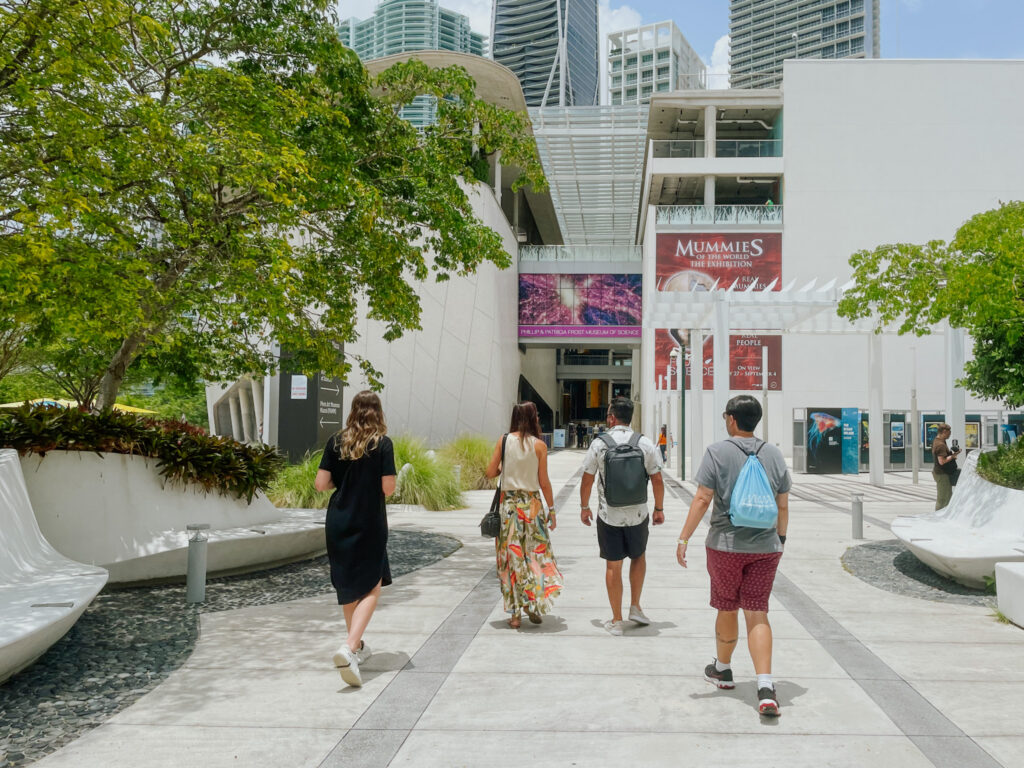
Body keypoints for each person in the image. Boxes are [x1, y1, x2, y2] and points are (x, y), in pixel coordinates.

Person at [676, 395, 790, 717]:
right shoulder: (774, 454)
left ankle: (723, 670)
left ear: (730, 419)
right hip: (765, 547)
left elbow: (702, 498)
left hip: (725, 546)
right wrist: (779, 540)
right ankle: (765, 687)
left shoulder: (717, 452)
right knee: (757, 612)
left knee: (727, 606)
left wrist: (684, 538)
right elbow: (782, 504)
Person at [315, 390, 397, 688]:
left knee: (349, 586)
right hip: (369, 521)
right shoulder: (382, 444)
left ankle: (356, 648)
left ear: (353, 411)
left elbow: (321, 483)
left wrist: (345, 479)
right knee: (373, 585)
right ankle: (349, 648)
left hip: (338, 520)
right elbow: (388, 488)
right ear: (378, 412)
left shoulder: (336, 441)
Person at [579, 396, 665, 635]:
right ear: (631, 418)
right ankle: (635, 607)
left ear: (611, 417)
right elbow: (657, 479)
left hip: (609, 515)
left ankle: (617, 621)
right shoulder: (645, 443)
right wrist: (659, 509)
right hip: (639, 513)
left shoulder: (599, 444)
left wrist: (584, 507)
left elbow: (587, 479)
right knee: (639, 557)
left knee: (613, 566)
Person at [486, 402, 564, 628]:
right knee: (535, 556)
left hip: (508, 507)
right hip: (532, 506)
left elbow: (490, 472)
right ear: (533, 419)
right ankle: (533, 605)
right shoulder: (539, 446)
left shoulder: (503, 441)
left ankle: (515, 614)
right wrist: (552, 510)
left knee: (510, 559)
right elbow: (544, 482)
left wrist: (505, 468)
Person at [931, 423, 960, 510]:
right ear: (944, 431)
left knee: (946, 496)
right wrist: (953, 456)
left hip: (941, 473)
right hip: (942, 474)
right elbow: (942, 461)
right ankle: (939, 516)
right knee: (943, 498)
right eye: (949, 432)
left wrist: (954, 453)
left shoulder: (938, 441)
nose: (950, 434)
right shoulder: (940, 445)